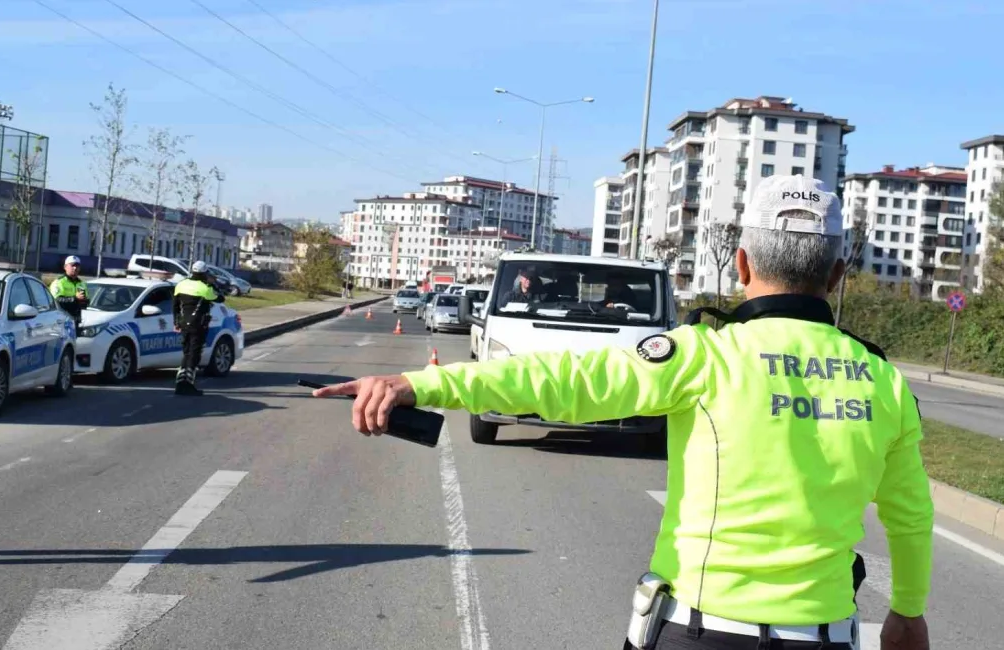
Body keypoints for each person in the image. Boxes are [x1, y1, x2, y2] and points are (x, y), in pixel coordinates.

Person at [311, 175, 934, 650]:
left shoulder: (704, 356)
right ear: (837, 273)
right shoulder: (885, 382)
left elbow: (565, 378)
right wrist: (906, 611)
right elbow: (910, 516)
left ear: (741, 265)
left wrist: (422, 385)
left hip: (702, 632)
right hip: (823, 636)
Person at [172, 261, 225, 396]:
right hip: (198, 324)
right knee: (194, 354)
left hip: (184, 323)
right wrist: (213, 283)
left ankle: (180, 383)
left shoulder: (181, 284)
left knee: (186, 352)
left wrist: (176, 322)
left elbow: (175, 306)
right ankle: (188, 384)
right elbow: (220, 298)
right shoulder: (205, 288)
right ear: (204, 273)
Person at [49, 255, 89, 328]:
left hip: (76, 320)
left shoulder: (82, 283)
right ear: (65, 267)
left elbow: (85, 302)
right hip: (61, 320)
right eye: (72, 265)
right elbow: (56, 300)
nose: (75, 268)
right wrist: (75, 298)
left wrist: (84, 301)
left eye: (77, 266)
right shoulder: (58, 282)